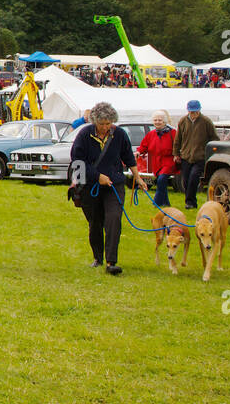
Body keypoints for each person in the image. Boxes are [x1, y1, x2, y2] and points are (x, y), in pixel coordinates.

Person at [70, 101, 147, 275]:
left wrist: (138, 177)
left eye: (108, 123)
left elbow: (128, 156)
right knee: (95, 223)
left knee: (113, 219)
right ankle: (98, 258)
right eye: (102, 123)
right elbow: (77, 160)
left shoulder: (119, 134)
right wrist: (98, 176)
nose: (106, 127)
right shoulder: (84, 135)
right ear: (94, 122)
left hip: (114, 184)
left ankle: (111, 262)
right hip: (91, 185)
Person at [175, 100, 216, 210]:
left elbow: (214, 138)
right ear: (188, 111)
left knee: (194, 178)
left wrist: (209, 152)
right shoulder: (183, 121)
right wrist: (176, 154)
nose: (194, 114)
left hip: (200, 157)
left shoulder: (206, 121)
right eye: (192, 112)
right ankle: (191, 201)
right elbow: (178, 139)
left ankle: (189, 202)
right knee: (186, 180)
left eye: (196, 112)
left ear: (199, 110)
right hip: (185, 156)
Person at [137, 109, 177, 207]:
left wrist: (177, 155)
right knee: (160, 181)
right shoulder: (151, 134)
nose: (157, 122)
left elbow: (178, 145)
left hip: (169, 162)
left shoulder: (173, 133)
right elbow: (144, 146)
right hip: (156, 163)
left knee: (161, 180)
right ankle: (166, 203)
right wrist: (138, 152)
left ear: (164, 121)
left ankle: (156, 202)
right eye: (155, 120)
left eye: (160, 120)